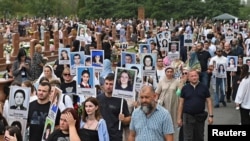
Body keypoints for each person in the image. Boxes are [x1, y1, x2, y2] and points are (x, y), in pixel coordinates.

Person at [177, 69, 213, 141]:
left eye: (195, 76)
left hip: (200, 116)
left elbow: (209, 101)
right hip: (187, 116)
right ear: (188, 78)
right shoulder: (185, 88)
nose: (194, 77)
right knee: (188, 137)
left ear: (198, 76)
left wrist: (211, 116)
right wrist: (179, 118)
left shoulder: (204, 87)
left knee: (199, 137)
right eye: (192, 76)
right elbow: (181, 103)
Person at [97, 74, 131, 141]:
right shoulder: (98, 98)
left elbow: (129, 118)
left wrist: (123, 119)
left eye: (111, 84)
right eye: (106, 84)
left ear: (115, 85)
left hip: (115, 136)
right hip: (100, 134)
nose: (108, 86)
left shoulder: (121, 100)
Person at [155, 66, 181, 140]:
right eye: (168, 72)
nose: (169, 73)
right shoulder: (161, 81)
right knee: (163, 122)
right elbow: (157, 93)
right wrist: (155, 102)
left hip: (173, 105)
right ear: (165, 72)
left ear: (173, 73)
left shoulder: (176, 81)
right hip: (163, 105)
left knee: (172, 123)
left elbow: (179, 93)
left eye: (171, 72)